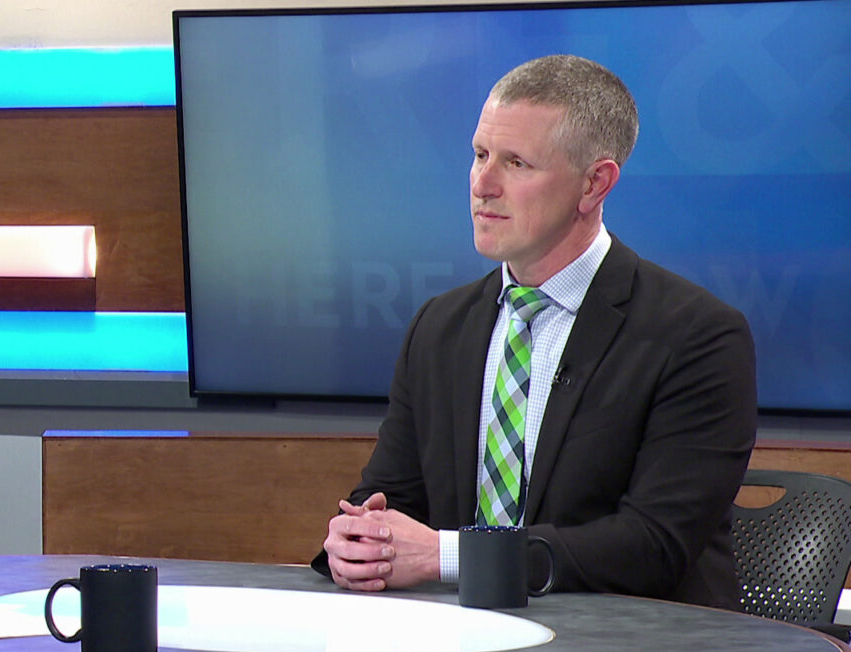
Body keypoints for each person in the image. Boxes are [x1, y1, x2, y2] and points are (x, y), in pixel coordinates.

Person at [316, 55, 756, 610]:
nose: (483, 184)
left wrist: (448, 556)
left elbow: (654, 544)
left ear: (595, 184)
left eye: (517, 164)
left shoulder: (697, 337)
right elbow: (391, 500)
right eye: (480, 155)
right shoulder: (440, 327)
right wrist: (358, 542)